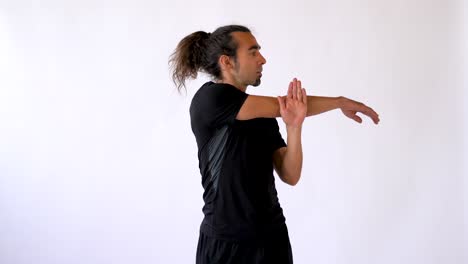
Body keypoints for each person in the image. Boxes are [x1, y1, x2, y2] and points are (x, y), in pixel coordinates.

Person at [169, 25, 380, 264]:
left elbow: (290, 174)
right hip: (225, 243)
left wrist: (294, 127)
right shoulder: (211, 99)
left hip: (271, 239)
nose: (263, 59)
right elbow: (284, 106)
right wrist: (339, 102)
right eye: (253, 52)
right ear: (226, 62)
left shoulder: (261, 115)